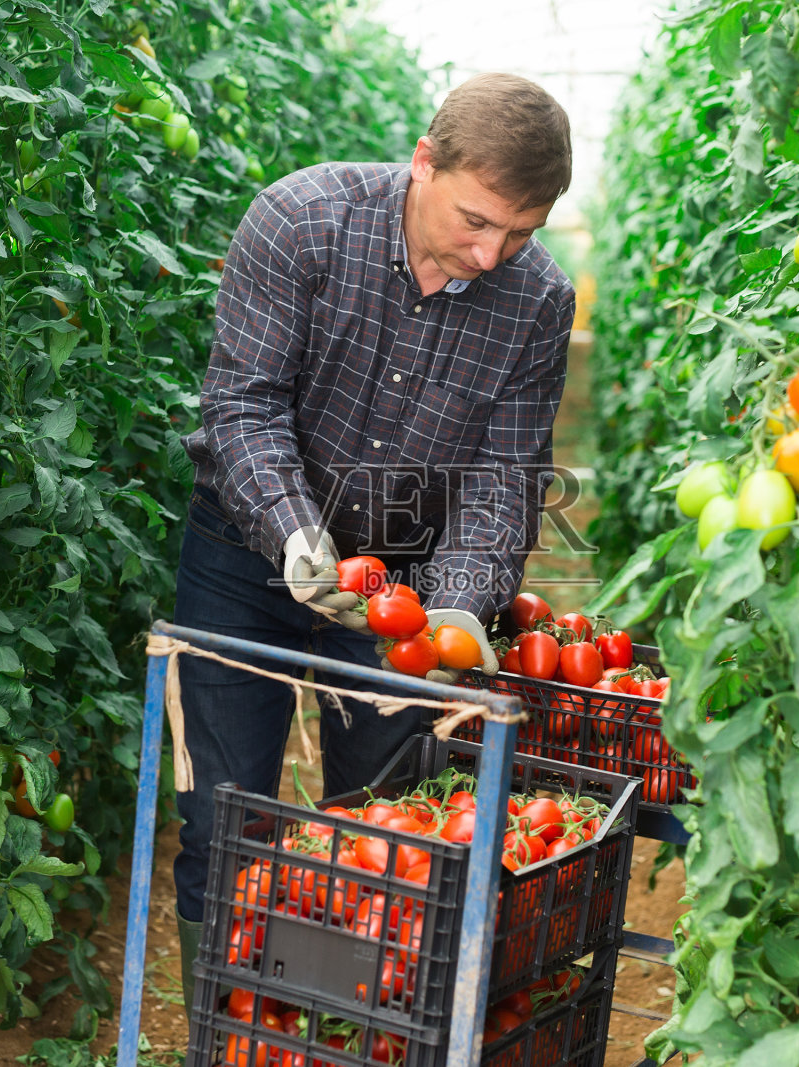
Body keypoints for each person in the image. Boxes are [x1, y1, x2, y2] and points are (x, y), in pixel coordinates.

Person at [170, 72, 575, 1004]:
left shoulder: (537, 301)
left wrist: (459, 608)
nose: (493, 250)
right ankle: (223, 1028)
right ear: (424, 161)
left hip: (403, 591)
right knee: (224, 815)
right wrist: (294, 535)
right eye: (477, 219)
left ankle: (333, 1022)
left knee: (381, 830)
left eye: (521, 231)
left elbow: (502, 480)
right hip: (243, 556)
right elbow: (244, 405)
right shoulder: (300, 222)